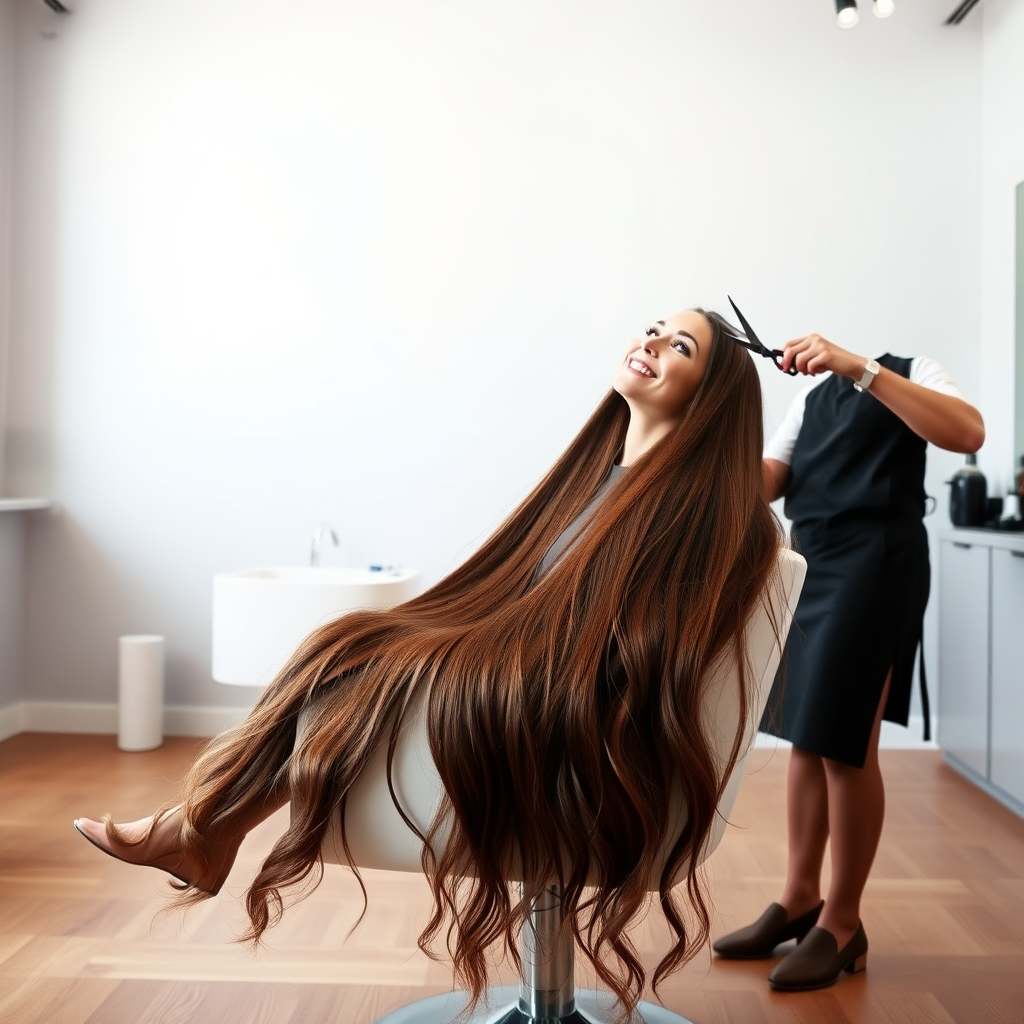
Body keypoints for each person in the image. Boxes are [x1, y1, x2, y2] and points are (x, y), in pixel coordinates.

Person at [74, 307, 785, 1016]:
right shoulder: (592, 481)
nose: (653, 341)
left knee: (363, 661)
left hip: (580, 720)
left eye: (680, 345)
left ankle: (202, 830)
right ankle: (205, 829)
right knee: (344, 650)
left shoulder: (709, 514)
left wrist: (471, 657)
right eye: (655, 325)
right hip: (530, 677)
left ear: (711, 395)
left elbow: (637, 649)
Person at [712, 334, 985, 992]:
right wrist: (708, 462)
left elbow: (965, 429)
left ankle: (842, 922)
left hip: (877, 562)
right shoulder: (808, 397)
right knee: (807, 737)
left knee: (845, 745)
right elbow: (774, 478)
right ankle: (799, 897)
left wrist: (858, 367)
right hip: (812, 564)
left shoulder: (910, 371)